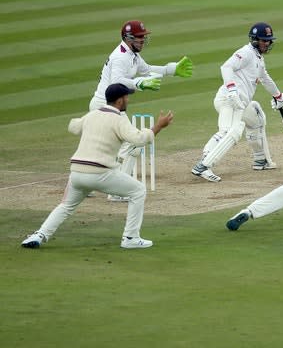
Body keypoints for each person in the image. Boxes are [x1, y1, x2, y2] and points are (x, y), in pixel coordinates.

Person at [21, 83, 174, 249]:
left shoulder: (92, 114)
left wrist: (90, 124)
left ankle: (39, 235)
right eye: (126, 97)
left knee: (66, 206)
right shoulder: (119, 120)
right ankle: (131, 238)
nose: (128, 100)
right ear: (120, 100)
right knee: (138, 191)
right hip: (100, 173)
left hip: (77, 172)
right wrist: (158, 126)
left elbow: (73, 126)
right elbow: (138, 139)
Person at [90, 20, 192, 200]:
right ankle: (116, 191)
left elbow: (147, 71)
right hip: (106, 106)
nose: (143, 41)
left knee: (106, 148)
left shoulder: (132, 55)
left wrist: (171, 69)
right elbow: (116, 82)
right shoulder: (121, 57)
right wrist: (139, 83)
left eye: (144, 37)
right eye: (139, 38)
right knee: (132, 144)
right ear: (128, 38)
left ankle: (86, 184)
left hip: (110, 106)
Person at [191, 22, 283, 182]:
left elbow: (265, 79)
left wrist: (278, 96)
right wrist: (232, 89)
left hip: (241, 103)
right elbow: (226, 67)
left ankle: (261, 160)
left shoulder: (258, 59)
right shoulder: (246, 53)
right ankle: (203, 165)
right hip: (229, 99)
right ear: (255, 39)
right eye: (264, 40)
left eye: (269, 40)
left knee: (257, 118)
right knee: (230, 132)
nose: (267, 43)